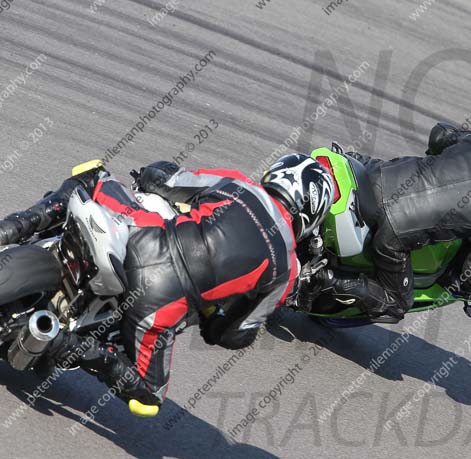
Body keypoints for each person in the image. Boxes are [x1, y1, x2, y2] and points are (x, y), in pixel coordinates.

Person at [0, 154, 333, 415]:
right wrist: (214, 317)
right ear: (312, 213)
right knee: (149, 395)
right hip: (160, 306)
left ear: (276, 173)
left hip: (143, 236)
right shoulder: (287, 270)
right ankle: (62, 342)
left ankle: (13, 228)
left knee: (90, 176)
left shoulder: (240, 184)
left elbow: (167, 180)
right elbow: (234, 334)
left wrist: (148, 175)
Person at [316, 123, 471, 320]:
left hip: (374, 175)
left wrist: (438, 159)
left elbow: (441, 133)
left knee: (352, 159)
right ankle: (324, 281)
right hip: (392, 232)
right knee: (396, 303)